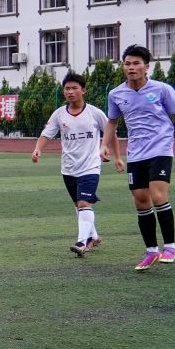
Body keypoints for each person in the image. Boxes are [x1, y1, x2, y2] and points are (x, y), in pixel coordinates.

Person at [102, 44, 175, 271]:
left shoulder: (162, 89)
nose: (131, 68)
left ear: (146, 66)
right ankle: (151, 251)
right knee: (140, 199)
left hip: (160, 148)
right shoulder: (116, 94)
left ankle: (170, 246)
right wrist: (104, 146)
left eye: (136, 63)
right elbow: (112, 122)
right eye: (127, 63)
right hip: (136, 153)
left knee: (158, 194)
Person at [31, 73, 107, 255]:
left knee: (83, 203)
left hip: (90, 166)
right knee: (78, 205)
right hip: (68, 168)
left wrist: (112, 153)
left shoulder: (95, 113)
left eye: (74, 88)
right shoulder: (59, 114)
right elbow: (46, 134)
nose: (71, 92)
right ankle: (94, 236)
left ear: (83, 90)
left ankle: (82, 242)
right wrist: (38, 149)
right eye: (67, 88)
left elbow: (110, 131)